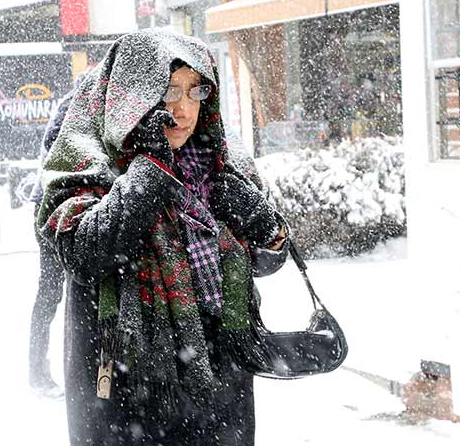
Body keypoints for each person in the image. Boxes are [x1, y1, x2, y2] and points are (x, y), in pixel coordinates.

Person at [36, 29, 289, 445]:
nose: (184, 108)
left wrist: (267, 229)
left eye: (196, 90)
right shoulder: (89, 161)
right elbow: (85, 255)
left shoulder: (222, 160)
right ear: (136, 94)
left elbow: (263, 263)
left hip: (221, 377)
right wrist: (149, 169)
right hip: (125, 376)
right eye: (170, 90)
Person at [28, 73, 87, 396]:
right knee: (52, 293)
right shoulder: (71, 110)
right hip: (52, 210)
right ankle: (38, 373)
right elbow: (56, 158)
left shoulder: (79, 108)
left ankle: (68, 373)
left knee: (64, 294)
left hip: (65, 208)